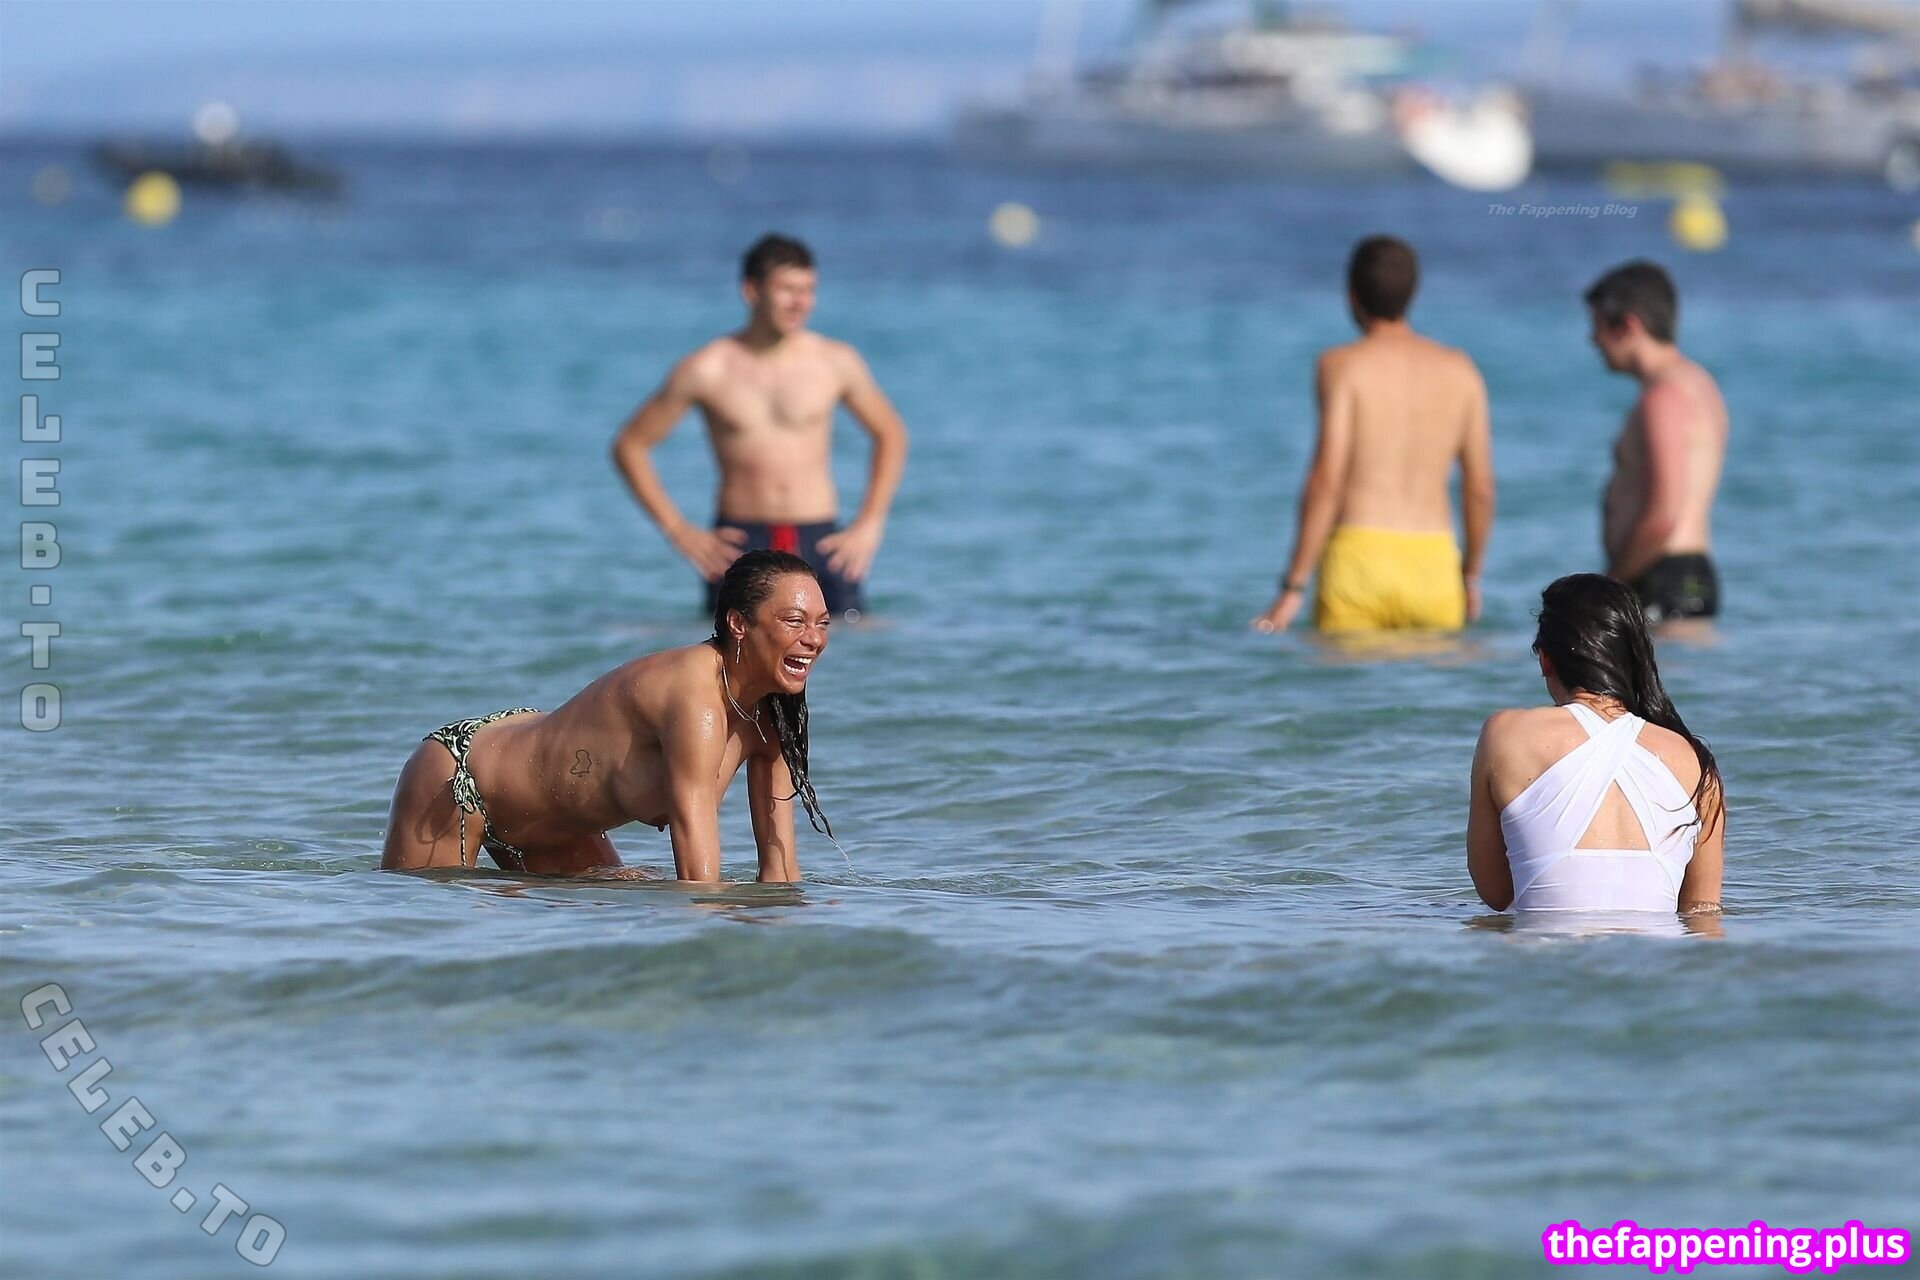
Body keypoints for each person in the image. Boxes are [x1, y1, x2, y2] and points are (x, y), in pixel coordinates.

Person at [381, 551, 833, 881]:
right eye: (795, 621)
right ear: (738, 624)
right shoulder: (696, 697)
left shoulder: (772, 717)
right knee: (424, 949)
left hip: (553, 822)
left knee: (621, 898)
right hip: (465, 777)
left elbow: (781, 872)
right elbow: (699, 887)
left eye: (822, 623)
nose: (813, 638)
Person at [611, 233, 909, 620]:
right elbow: (630, 445)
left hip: (821, 539)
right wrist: (679, 531)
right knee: (734, 651)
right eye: (787, 289)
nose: (801, 302)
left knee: (849, 639)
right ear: (751, 290)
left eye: (809, 289)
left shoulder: (835, 361)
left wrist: (870, 523)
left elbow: (890, 433)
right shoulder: (707, 368)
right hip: (740, 541)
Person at [1253, 235, 1495, 634]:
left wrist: (1292, 587)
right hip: (1434, 567)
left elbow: (1326, 480)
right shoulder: (1461, 371)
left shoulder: (1341, 366)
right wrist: (1470, 576)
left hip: (1357, 562)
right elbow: (1480, 488)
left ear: (1351, 295)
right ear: (1413, 293)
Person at [1466, 574, 1725, 915]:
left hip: (1548, 948)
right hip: (1656, 949)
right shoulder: (1695, 763)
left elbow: (1496, 893)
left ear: (1545, 660)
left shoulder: (1504, 733)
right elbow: (1703, 914)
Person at [1585, 260, 1728, 624]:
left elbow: (1663, 515)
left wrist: (1610, 587)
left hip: (1662, 576)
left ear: (1629, 325)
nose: (1592, 340)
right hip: (1688, 574)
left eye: (1597, 326)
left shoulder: (1663, 396)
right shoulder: (1699, 383)